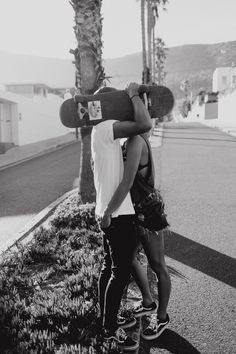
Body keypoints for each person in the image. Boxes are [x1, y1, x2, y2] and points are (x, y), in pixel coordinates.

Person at [91, 82, 152, 351]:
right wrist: (134, 94)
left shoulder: (100, 133)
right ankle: (109, 330)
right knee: (120, 272)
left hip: (108, 212)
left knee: (108, 268)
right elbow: (143, 125)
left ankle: (107, 320)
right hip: (117, 214)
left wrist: (105, 211)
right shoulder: (106, 128)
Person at [101, 118, 171, 341]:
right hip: (134, 211)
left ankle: (162, 317)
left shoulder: (135, 141)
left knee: (158, 265)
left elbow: (128, 181)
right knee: (127, 259)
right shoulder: (130, 140)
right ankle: (149, 302)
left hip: (148, 212)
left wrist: (108, 212)